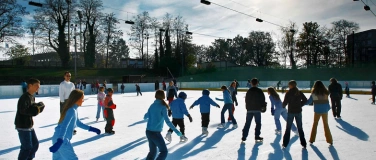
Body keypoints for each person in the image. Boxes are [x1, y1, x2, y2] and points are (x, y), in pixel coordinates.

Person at [49, 90, 101, 159]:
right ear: (77, 99)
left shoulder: (73, 109)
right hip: (61, 140)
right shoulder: (71, 110)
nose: (83, 100)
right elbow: (64, 125)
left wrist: (92, 129)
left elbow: (78, 123)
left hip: (57, 138)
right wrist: (60, 140)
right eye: (82, 98)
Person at [143, 90, 182, 160]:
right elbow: (168, 121)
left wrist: (151, 113)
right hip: (155, 133)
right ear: (163, 96)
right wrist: (177, 131)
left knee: (152, 152)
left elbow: (145, 116)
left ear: (156, 96)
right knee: (164, 151)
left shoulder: (152, 105)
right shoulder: (162, 107)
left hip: (148, 131)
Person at [15, 78, 45, 160]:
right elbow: (23, 110)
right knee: (26, 148)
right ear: (30, 85)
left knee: (35, 145)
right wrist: (36, 109)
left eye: (38, 86)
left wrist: (38, 106)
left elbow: (31, 107)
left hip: (28, 125)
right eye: (36, 86)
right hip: (23, 125)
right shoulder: (24, 97)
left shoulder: (31, 97)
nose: (38, 88)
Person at [306, 80, 333, 145]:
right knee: (326, 125)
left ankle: (312, 140)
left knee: (315, 124)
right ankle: (330, 140)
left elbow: (309, 101)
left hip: (317, 110)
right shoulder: (325, 92)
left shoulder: (315, 93)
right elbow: (326, 101)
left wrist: (302, 103)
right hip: (325, 110)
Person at [282, 80, 308, 149]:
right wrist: (300, 105)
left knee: (288, 128)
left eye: (289, 85)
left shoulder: (288, 93)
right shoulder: (299, 92)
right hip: (298, 112)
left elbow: (285, 103)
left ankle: (285, 144)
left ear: (291, 85)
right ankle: (304, 144)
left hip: (291, 112)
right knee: (300, 128)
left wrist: (283, 105)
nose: (288, 86)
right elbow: (305, 100)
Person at [241, 78, 265, 143]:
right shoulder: (259, 91)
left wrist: (248, 108)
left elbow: (246, 100)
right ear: (257, 83)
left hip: (249, 109)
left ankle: (244, 137)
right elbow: (263, 100)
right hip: (257, 109)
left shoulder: (249, 91)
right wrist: (263, 106)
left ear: (251, 83)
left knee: (247, 123)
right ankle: (257, 136)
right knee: (258, 123)